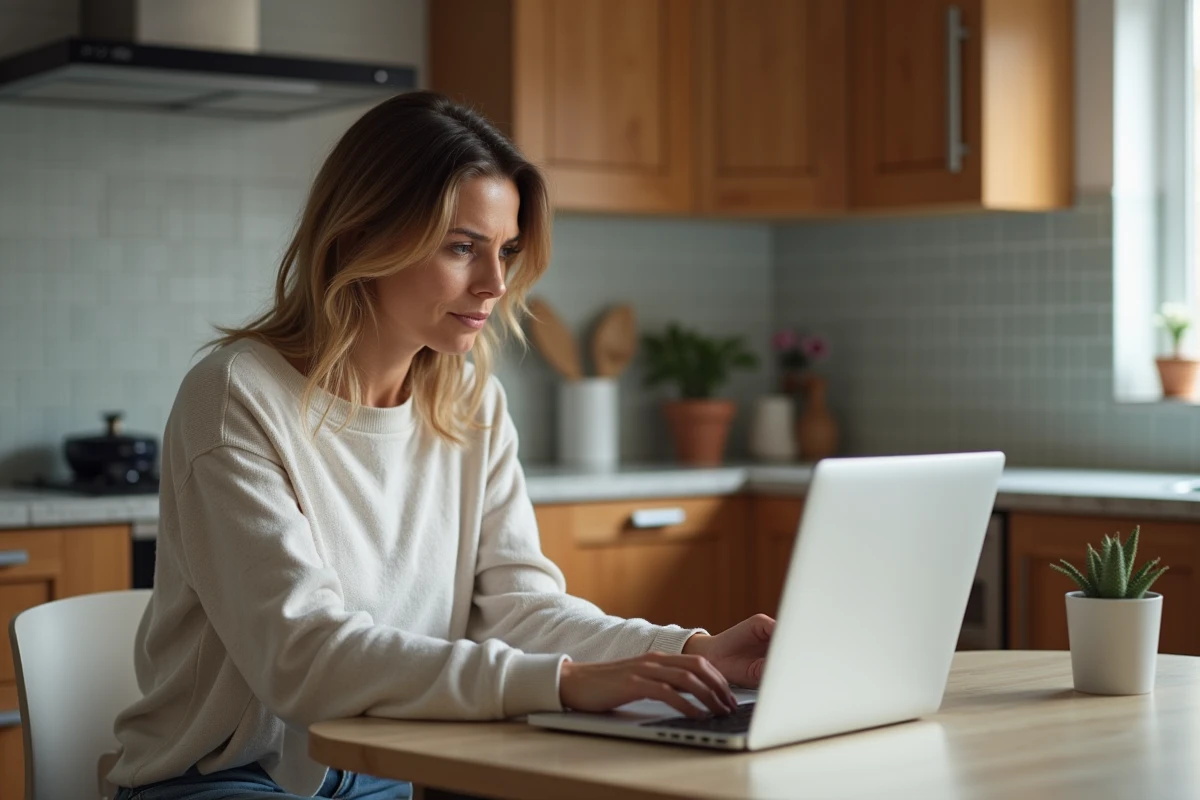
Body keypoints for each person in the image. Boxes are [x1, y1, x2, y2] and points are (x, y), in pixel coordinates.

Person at [108, 91, 774, 800]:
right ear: (360, 237)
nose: (495, 284)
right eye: (462, 247)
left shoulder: (470, 401)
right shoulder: (235, 395)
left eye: (506, 251)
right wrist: (565, 684)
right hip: (222, 780)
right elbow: (301, 659)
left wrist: (690, 650)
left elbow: (522, 609)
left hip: (388, 767)